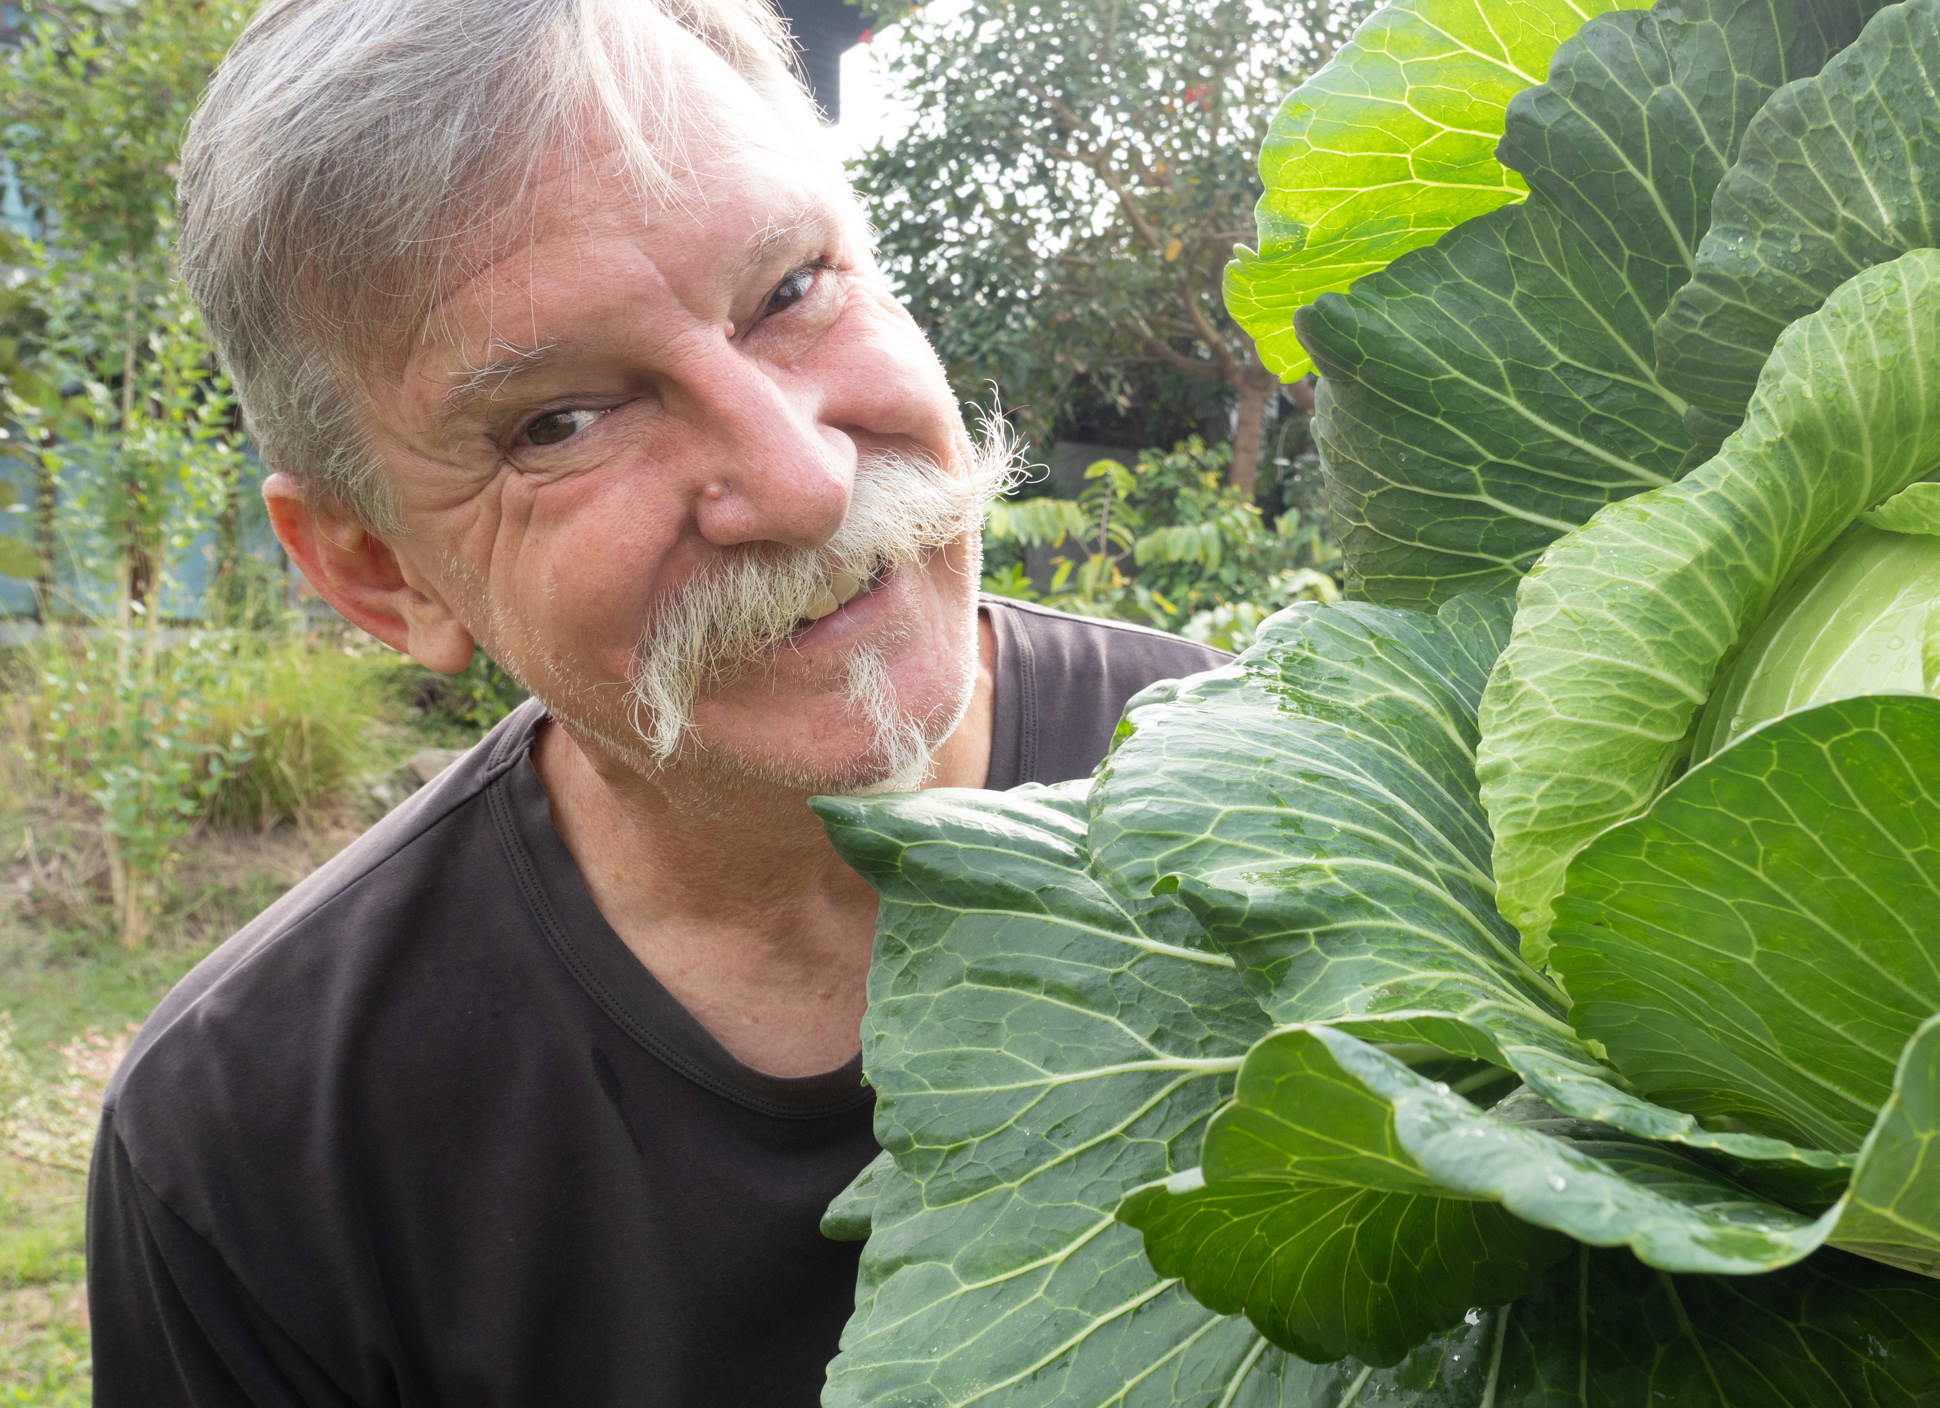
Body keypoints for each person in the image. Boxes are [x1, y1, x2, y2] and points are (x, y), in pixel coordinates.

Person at [84, 1, 1228, 1402]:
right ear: (382, 572)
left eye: (794, 289)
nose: (801, 481)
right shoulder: (254, 1147)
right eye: (558, 422)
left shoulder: (1287, 793)